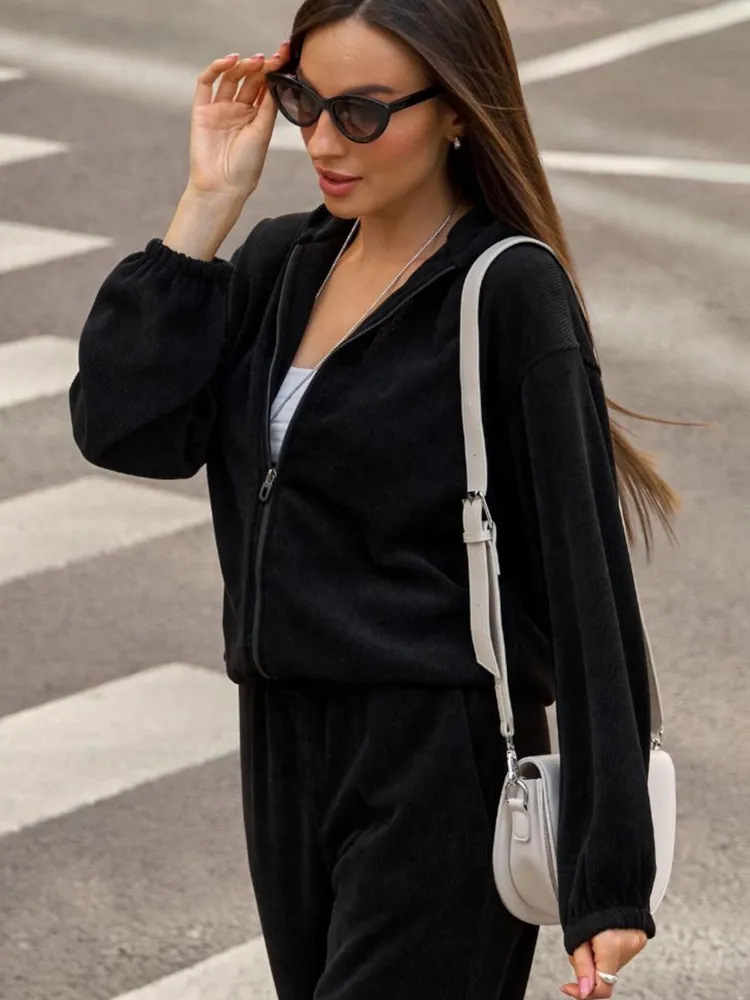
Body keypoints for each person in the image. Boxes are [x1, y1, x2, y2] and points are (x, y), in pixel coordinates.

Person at [69, 1, 681, 997]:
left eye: (361, 112)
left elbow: (587, 579)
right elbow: (124, 425)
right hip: (283, 749)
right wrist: (208, 202)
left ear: (456, 110)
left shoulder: (504, 290)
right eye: (303, 102)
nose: (321, 141)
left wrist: (608, 875)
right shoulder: (280, 265)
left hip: (438, 761)